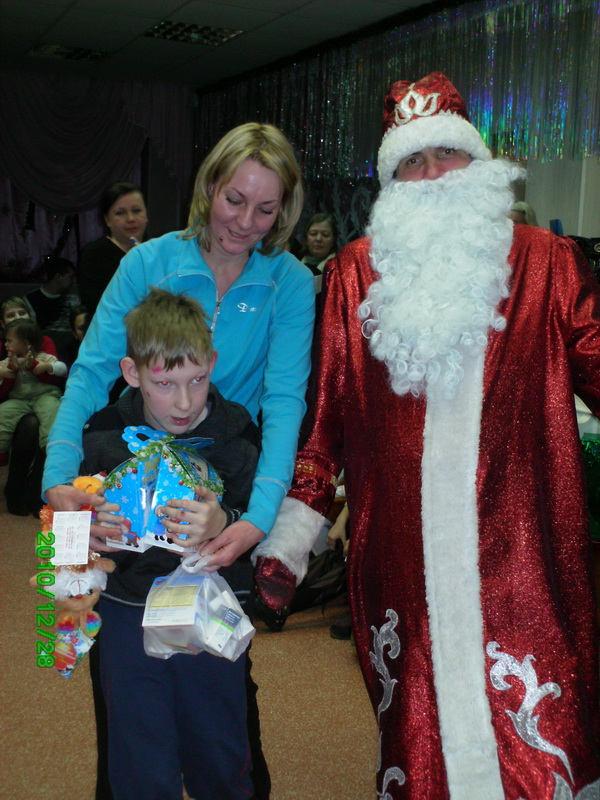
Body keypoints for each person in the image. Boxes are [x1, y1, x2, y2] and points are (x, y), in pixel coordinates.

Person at [253, 73, 600, 799]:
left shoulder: (549, 262)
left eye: (447, 153)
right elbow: (327, 419)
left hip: (525, 556)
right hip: (400, 559)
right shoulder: (353, 275)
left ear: (479, 162)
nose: (433, 173)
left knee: (543, 743)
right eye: (412, 161)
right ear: (391, 183)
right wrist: (294, 535)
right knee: (421, 738)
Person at [43, 122, 315, 799]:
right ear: (208, 188)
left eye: (265, 208)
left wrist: (252, 521)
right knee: (132, 724)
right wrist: (58, 490)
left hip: (223, 502)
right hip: (129, 538)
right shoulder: (148, 263)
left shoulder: (288, 282)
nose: (245, 223)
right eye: (234, 200)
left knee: (222, 710)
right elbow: (89, 375)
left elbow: (284, 402)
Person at [81, 289, 259, 799]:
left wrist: (224, 519)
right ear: (132, 372)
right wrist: (89, 531)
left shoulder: (238, 435)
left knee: (218, 747)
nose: (184, 402)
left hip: (212, 612)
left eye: (196, 380)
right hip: (127, 614)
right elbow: (68, 521)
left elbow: (262, 517)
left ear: (212, 364)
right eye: (165, 384)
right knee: (139, 753)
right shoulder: (103, 434)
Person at [78, 183, 148, 319]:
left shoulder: (156, 252)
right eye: (120, 213)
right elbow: (99, 306)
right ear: (107, 220)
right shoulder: (94, 255)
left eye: (136, 210)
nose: (131, 219)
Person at [0, 318, 66, 455]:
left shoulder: (44, 357)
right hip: (18, 400)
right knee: (3, 411)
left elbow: (63, 369)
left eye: (9, 341)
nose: (5, 344)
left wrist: (47, 366)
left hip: (45, 396)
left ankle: (51, 447)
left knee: (52, 412)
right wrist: (4, 373)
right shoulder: (7, 362)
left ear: (25, 343)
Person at [300, 212, 338, 292]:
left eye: (325, 235)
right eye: (313, 234)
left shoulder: (339, 270)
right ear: (306, 239)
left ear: (333, 240)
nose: (318, 239)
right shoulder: (294, 265)